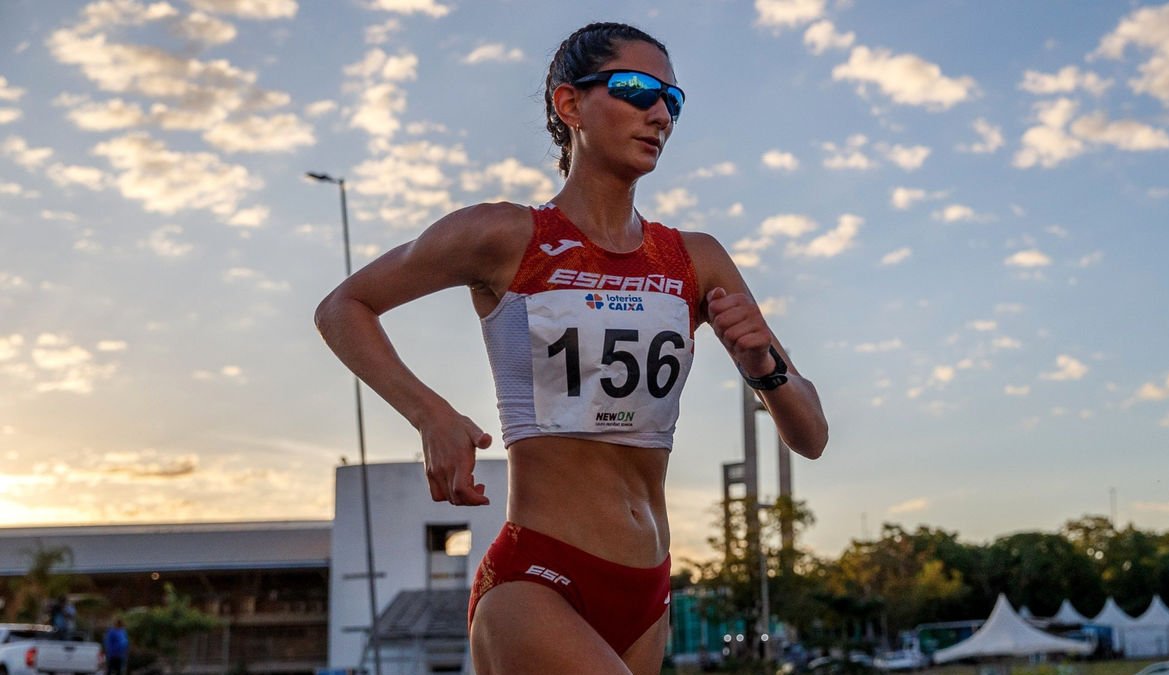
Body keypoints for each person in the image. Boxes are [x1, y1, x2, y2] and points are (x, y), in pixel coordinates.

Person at [315, 22, 828, 675]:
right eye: (636, 89)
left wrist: (767, 368)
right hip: (537, 582)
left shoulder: (695, 258)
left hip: (646, 593)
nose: (660, 112)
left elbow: (810, 436)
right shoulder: (504, 235)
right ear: (570, 104)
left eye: (673, 99)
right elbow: (342, 307)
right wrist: (429, 412)